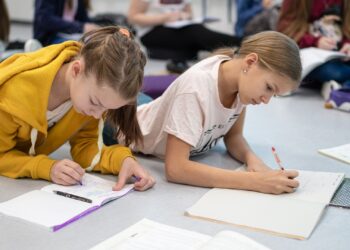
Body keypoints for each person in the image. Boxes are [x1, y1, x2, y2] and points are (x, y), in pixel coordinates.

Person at [105, 31, 302, 194]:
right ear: (250, 62)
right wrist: (256, 181)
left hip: (151, 110)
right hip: (121, 123)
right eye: (269, 87)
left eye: (274, 95)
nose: (266, 100)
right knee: (104, 95)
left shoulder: (240, 86)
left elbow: (234, 137)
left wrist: (252, 159)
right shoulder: (197, 88)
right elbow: (176, 169)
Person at [0, 26, 155, 191]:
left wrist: (124, 161)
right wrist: (45, 168)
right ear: (76, 70)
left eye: (105, 109)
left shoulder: (86, 93)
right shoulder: (12, 95)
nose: (97, 116)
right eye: (95, 102)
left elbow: (86, 147)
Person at [127, 0, 242, 74]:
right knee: (196, 33)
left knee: (197, 31)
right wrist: (166, 17)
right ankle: (241, 44)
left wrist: (185, 16)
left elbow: (189, 14)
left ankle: (238, 46)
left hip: (178, 27)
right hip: (151, 32)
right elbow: (133, 17)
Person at [277, 0, 350, 92]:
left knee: (336, 71)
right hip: (307, 55)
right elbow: (285, 32)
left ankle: (339, 86)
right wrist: (316, 41)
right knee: (334, 73)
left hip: (338, 55)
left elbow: (347, 29)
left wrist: (347, 43)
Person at [34, 0, 100, 46]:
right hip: (50, 38)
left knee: (98, 44)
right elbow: (45, 19)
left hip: (73, 36)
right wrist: (81, 27)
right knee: (82, 48)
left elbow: (84, 20)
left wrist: (95, 29)